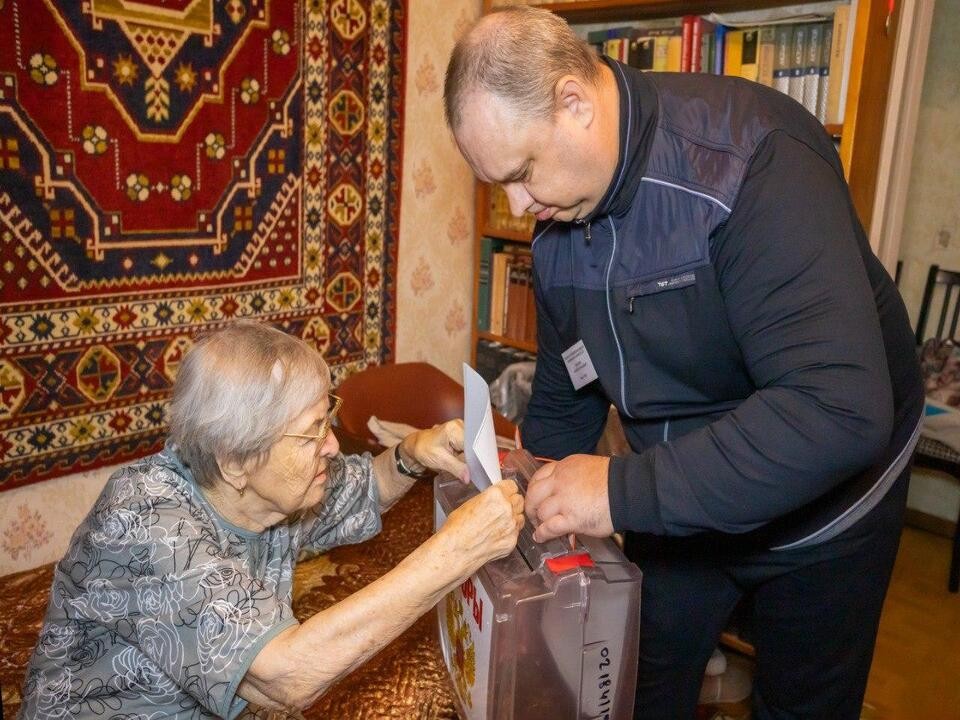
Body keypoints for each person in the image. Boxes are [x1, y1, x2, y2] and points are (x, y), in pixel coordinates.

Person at [445, 7, 923, 720]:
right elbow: (570, 381)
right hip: (681, 494)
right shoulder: (557, 219)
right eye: (498, 186)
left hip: (826, 506)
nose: (518, 206)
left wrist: (620, 491)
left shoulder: (754, 163)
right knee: (637, 686)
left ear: (574, 103)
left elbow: (837, 410)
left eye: (522, 172)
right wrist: (530, 484)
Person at [20, 320, 524, 718]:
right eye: (312, 432)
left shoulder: (265, 491)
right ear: (235, 460)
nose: (332, 445)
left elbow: (362, 489)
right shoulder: (145, 519)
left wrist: (411, 453)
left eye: (327, 419)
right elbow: (285, 675)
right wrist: (458, 550)